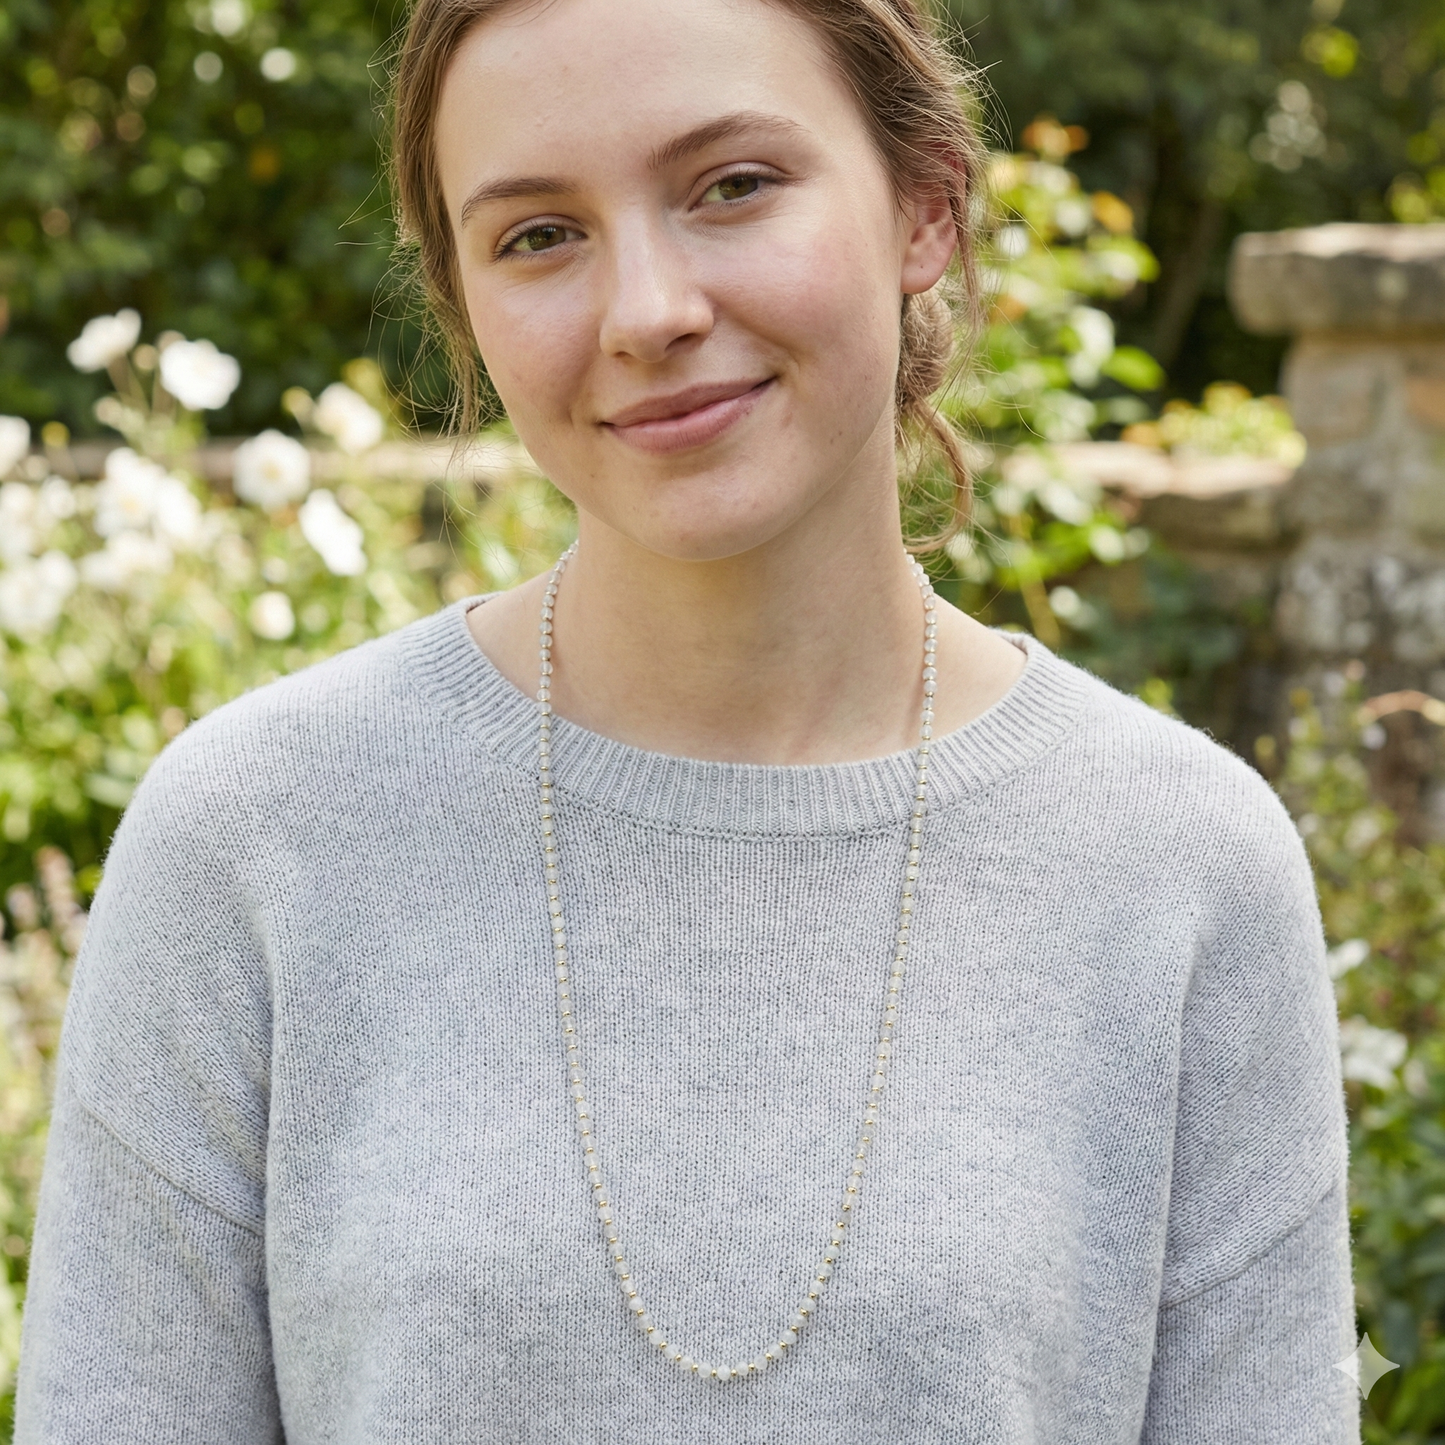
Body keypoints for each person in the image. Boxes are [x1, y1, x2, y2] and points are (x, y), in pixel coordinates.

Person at [17, 0, 1359, 1439]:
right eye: (539, 234)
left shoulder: (1184, 865)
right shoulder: (251, 838)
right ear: (460, 298)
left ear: (927, 208)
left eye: (733, 186)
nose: (648, 310)